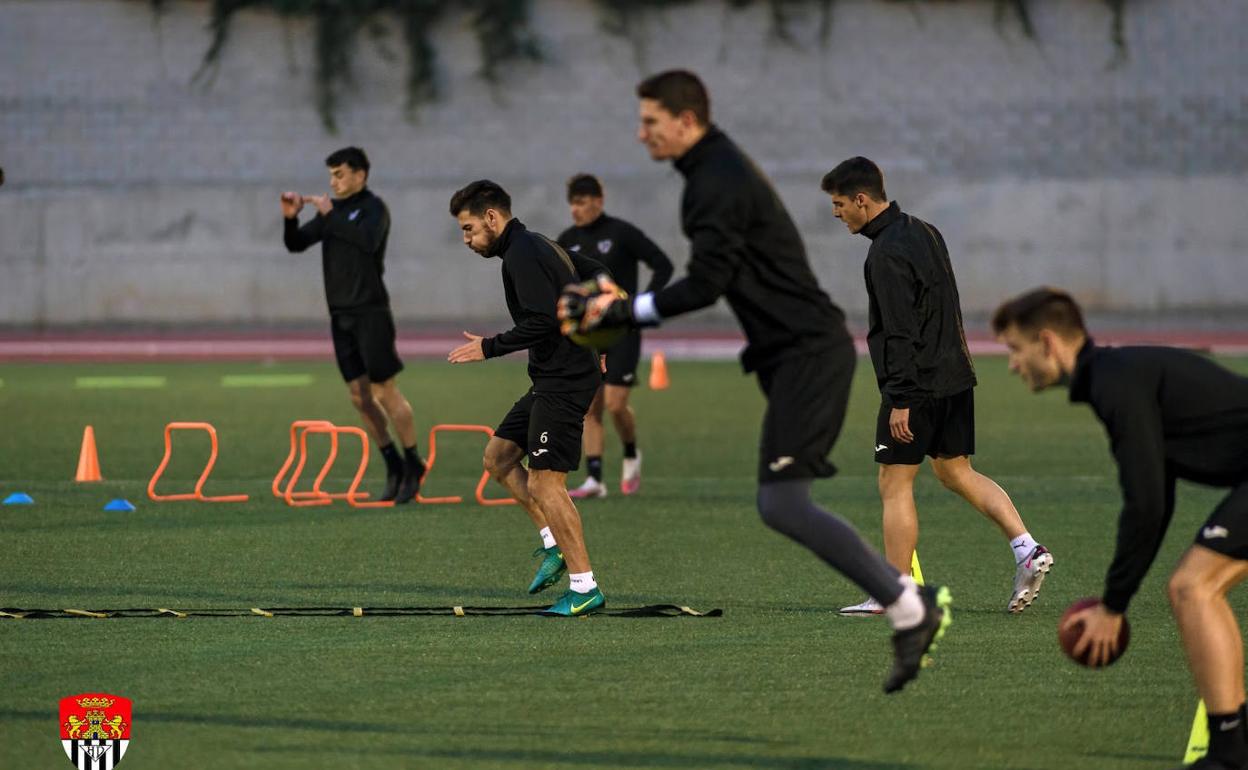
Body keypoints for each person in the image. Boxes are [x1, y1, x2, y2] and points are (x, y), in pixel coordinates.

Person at [558, 70, 950, 692]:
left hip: (809, 354)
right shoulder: (712, 172)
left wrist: (622, 311)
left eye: (651, 122)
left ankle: (909, 606)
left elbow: (708, 283)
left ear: (685, 122)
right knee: (780, 502)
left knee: (782, 502)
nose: (641, 134)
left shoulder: (714, 180)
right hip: (788, 356)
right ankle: (908, 607)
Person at [993, 287, 1248, 770]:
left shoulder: (1115, 382)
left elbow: (1146, 503)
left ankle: (1231, 753)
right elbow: (1159, 497)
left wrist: (1113, 606)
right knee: (1198, 589)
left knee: (1193, 588)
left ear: (1047, 342)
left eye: (1014, 349)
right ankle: (1233, 746)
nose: (1011, 364)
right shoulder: (1115, 377)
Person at [821, 156, 1053, 615]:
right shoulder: (926, 230)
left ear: (862, 200)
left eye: (839, 203)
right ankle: (1026, 547)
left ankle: (895, 593)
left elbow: (901, 329)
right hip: (954, 377)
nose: (836, 213)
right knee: (954, 471)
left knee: (894, 481)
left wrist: (902, 399)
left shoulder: (884, 253)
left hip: (916, 385)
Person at [447, 179, 610, 616]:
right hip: (551, 376)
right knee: (498, 458)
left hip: (566, 380)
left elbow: (542, 322)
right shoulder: (537, 245)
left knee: (545, 481)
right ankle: (553, 544)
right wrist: (602, 338)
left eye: (468, 229)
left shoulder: (523, 254)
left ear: (492, 218)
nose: (465, 239)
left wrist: (489, 346)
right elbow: (596, 271)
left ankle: (585, 586)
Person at [282, 146, 424, 503]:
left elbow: (366, 242)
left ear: (360, 175)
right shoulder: (334, 213)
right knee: (359, 397)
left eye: (340, 174)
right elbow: (296, 244)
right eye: (331, 175)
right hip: (340, 315)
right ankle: (391, 461)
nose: (334, 181)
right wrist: (289, 218)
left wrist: (331, 216)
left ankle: (413, 461)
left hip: (371, 312)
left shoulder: (374, 209)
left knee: (384, 392)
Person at [557, 173, 674, 498]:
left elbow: (663, 265)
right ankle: (595, 480)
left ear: (598, 201)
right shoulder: (567, 239)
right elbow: (560, 283)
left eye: (581, 202)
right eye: (572, 204)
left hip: (623, 330)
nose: (575, 210)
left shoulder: (622, 233)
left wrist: (643, 305)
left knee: (616, 404)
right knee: (590, 406)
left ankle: (632, 452)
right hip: (589, 336)